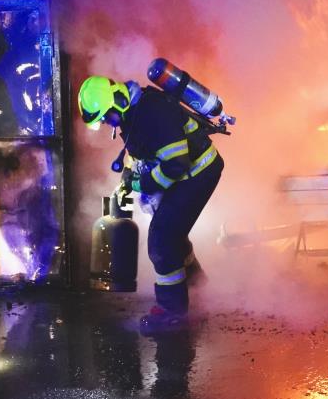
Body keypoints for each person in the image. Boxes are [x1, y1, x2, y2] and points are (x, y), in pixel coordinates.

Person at [77, 74, 223, 333]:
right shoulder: (131, 115)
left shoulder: (152, 113)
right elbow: (140, 153)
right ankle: (198, 290)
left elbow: (176, 164)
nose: (109, 122)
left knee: (162, 239)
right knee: (172, 235)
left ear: (117, 100)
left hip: (199, 173)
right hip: (188, 175)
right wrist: (128, 178)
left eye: (107, 117)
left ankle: (172, 312)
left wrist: (141, 185)